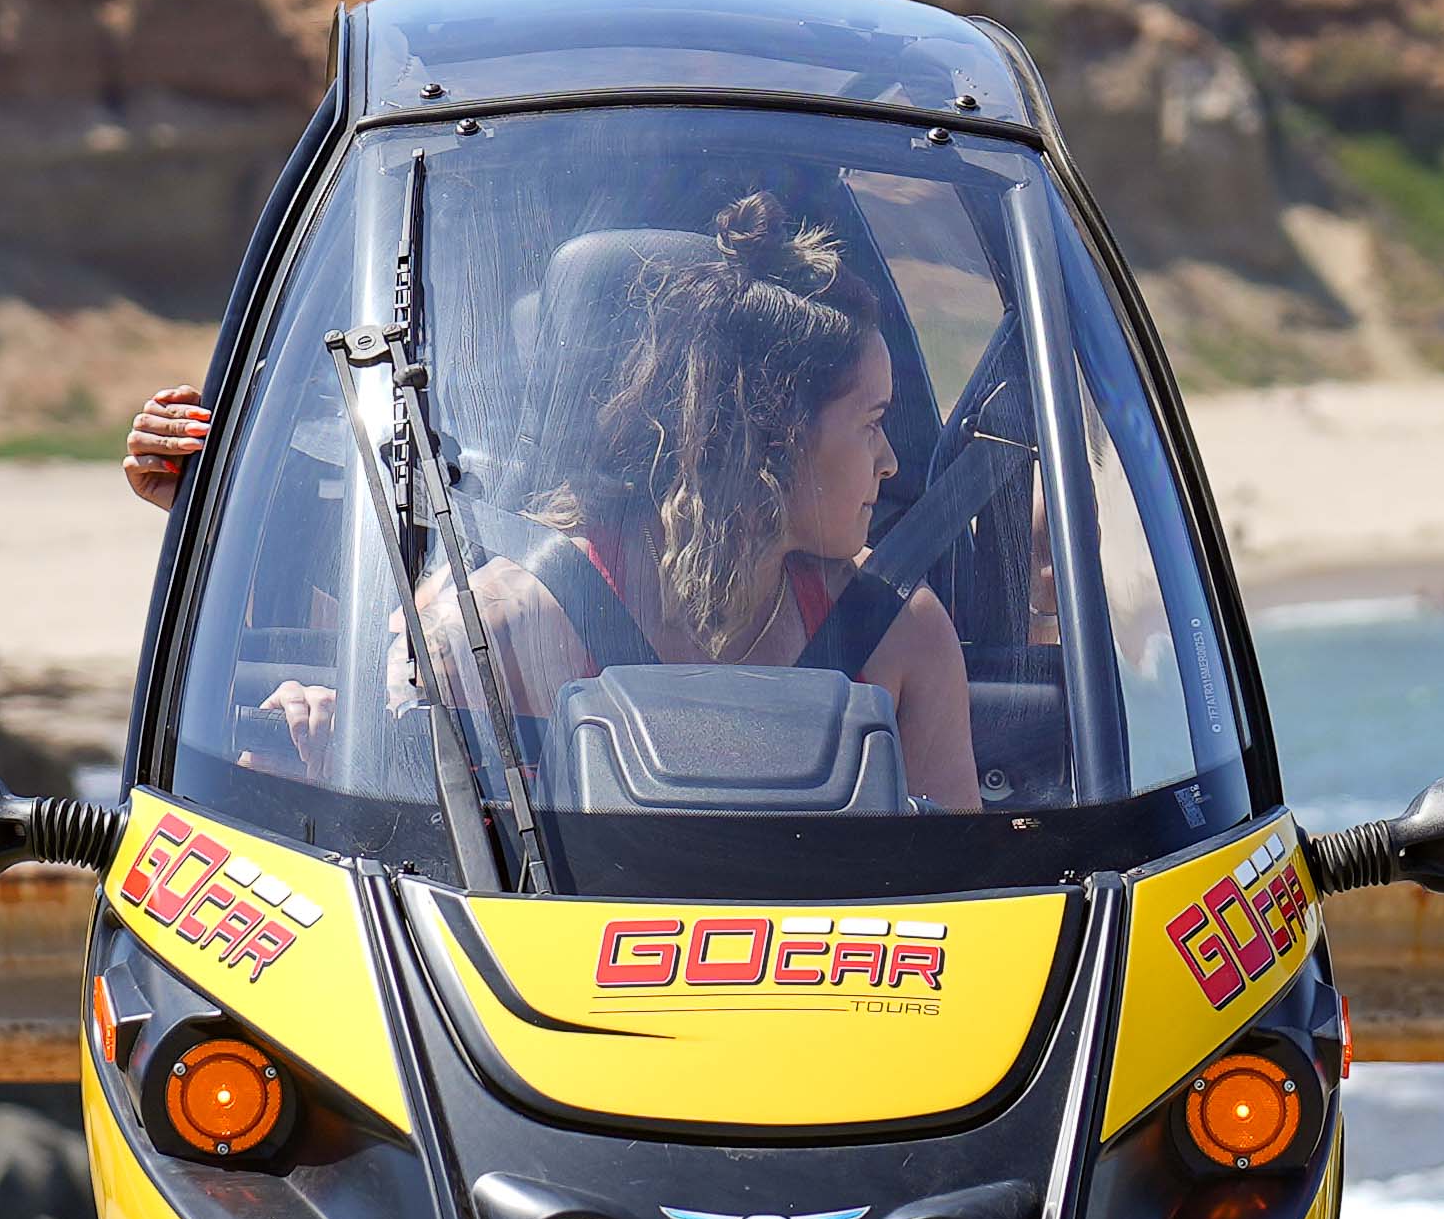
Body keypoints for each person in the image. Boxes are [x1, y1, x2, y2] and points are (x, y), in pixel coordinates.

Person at [123, 200, 979, 811]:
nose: (892, 459)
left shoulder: (901, 636)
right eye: (870, 425)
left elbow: (971, 907)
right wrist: (316, 754)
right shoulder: (486, 633)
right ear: (774, 438)